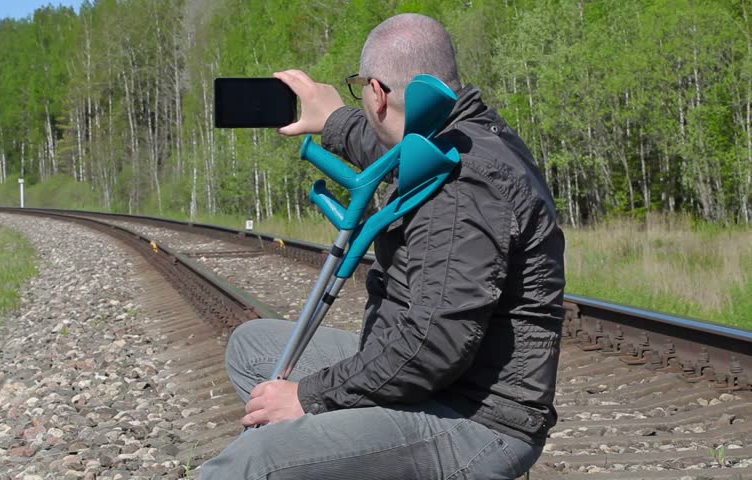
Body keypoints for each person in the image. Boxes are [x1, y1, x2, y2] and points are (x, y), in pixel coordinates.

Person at [199, 13, 565, 480]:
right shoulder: (460, 137)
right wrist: (332, 119)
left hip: (475, 419)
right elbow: (393, 153)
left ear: (378, 92)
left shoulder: (463, 187)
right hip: (439, 383)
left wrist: (307, 398)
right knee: (253, 347)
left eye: (360, 90)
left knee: (257, 459)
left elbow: (431, 347)